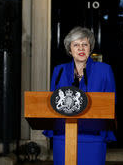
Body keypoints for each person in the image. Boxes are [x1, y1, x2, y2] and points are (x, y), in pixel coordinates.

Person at [43, 26, 116, 165]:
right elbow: (52, 103)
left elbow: (111, 103)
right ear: (70, 50)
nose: (81, 49)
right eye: (76, 45)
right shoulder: (59, 70)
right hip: (63, 135)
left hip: (93, 137)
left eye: (85, 45)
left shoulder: (105, 70)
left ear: (90, 48)